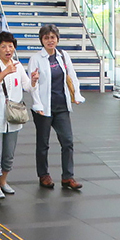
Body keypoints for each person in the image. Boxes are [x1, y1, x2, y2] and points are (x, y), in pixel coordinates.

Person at [27, 24, 84, 190]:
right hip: (43, 108)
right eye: (46, 38)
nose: (50, 41)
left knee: (67, 141)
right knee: (43, 144)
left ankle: (68, 177)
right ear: (41, 40)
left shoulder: (63, 56)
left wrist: (77, 95)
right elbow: (33, 85)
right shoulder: (36, 58)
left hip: (61, 106)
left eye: (52, 37)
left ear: (57, 39)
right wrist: (37, 103)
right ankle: (43, 175)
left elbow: (72, 76)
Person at [0, 31, 35, 201]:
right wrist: (5, 72)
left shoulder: (18, 65)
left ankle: (3, 181)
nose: (7, 50)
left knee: (9, 152)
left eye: (10, 46)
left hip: (13, 116)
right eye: (3, 46)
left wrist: (34, 80)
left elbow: (27, 87)